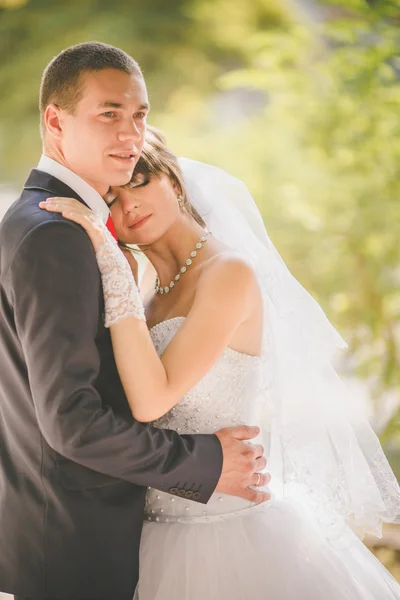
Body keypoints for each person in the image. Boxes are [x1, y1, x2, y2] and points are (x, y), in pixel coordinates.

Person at [41, 126, 400, 599]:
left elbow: (151, 401)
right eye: (111, 200)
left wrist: (109, 262)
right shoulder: (143, 286)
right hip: (145, 535)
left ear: (174, 178)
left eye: (141, 182)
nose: (129, 207)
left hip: (229, 533)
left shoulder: (227, 272)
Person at [0, 42, 269, 600]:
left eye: (139, 115)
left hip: (141, 534)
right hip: (76, 545)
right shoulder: (57, 235)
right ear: (55, 120)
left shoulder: (60, 231)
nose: (128, 134)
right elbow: (71, 419)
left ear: (174, 177)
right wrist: (208, 461)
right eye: (108, 114)